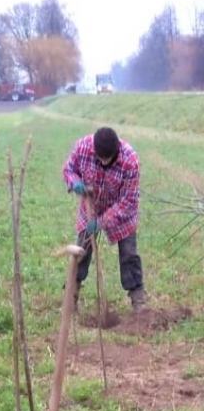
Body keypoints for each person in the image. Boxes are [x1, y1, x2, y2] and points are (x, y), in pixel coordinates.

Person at [62, 126, 145, 311]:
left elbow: (128, 201)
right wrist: (74, 182)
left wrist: (101, 222)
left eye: (108, 160)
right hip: (90, 208)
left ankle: (138, 298)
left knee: (129, 254)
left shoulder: (130, 160)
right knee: (80, 252)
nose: (104, 162)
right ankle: (71, 294)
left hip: (121, 214)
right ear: (94, 150)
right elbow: (69, 169)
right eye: (100, 159)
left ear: (117, 150)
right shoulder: (83, 148)